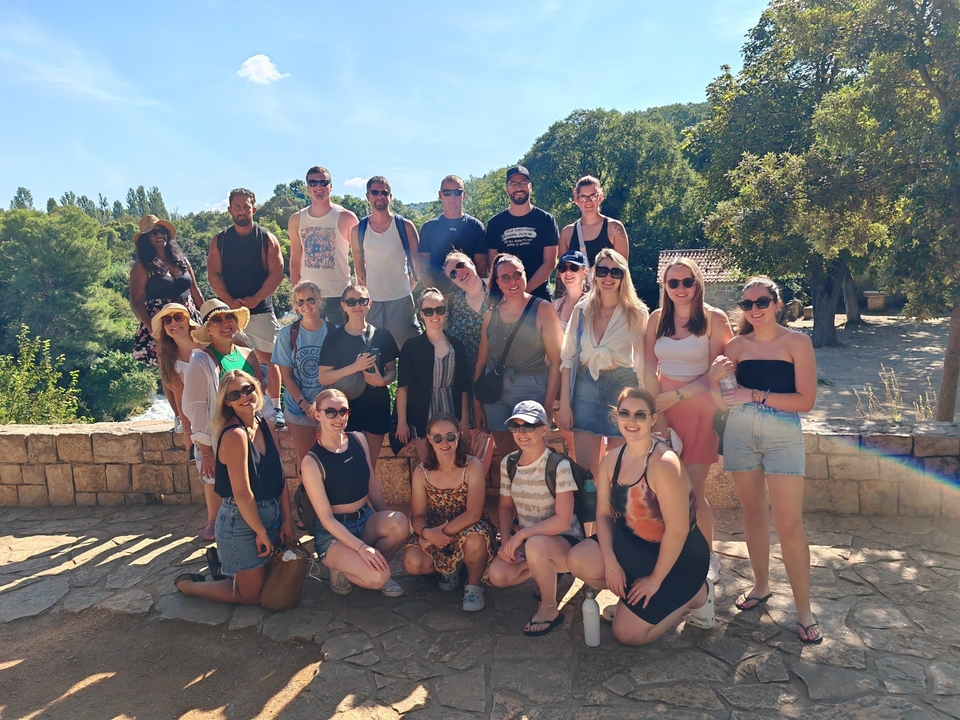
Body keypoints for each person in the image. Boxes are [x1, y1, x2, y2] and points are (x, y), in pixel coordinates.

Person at [710, 276, 822, 643]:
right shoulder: (735, 345)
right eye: (747, 305)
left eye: (761, 302)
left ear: (777, 303)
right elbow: (725, 399)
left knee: (789, 523)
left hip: (782, 434)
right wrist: (717, 380)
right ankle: (760, 585)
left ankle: (803, 610)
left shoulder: (797, 342)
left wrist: (753, 393)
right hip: (740, 432)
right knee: (753, 513)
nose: (754, 310)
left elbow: (804, 402)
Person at [566, 388, 714, 645]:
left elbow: (677, 531)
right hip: (634, 546)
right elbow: (602, 514)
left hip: (679, 556)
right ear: (616, 417)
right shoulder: (612, 459)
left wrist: (655, 580)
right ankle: (634, 600)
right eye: (625, 413)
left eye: (640, 415)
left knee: (628, 634)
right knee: (578, 559)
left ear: (653, 419)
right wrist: (611, 564)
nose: (631, 421)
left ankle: (697, 595)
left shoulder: (664, 464)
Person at [643, 258, 732, 585]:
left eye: (687, 282)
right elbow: (647, 369)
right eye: (673, 283)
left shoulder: (714, 319)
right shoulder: (656, 319)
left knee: (693, 491)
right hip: (664, 410)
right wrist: (659, 413)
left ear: (698, 283)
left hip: (700, 409)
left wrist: (676, 398)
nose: (680, 289)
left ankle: (708, 556)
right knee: (665, 490)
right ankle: (674, 553)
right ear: (664, 287)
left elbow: (716, 376)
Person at [174, 370, 295, 604]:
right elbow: (242, 493)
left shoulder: (266, 426)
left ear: (256, 389)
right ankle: (189, 586)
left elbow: (279, 478)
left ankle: (224, 567)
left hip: (272, 514)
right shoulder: (235, 436)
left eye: (247, 389)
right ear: (226, 403)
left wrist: (288, 521)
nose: (244, 396)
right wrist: (260, 532)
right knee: (251, 596)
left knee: (276, 580)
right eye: (234, 395)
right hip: (241, 521)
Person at [300, 389, 409, 597]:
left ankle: (372, 565)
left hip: (364, 519)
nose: (338, 417)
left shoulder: (358, 439)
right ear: (318, 415)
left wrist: (381, 517)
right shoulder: (311, 461)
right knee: (378, 578)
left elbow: (373, 485)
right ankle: (346, 568)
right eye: (330, 412)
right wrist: (361, 548)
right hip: (333, 532)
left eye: (343, 411)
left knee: (400, 523)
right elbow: (325, 518)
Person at [488, 401, 583, 636]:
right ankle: (544, 571)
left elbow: (563, 520)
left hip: (564, 541)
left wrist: (520, 534)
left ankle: (549, 607)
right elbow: (504, 506)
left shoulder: (558, 465)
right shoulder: (508, 463)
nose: (522, 433)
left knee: (536, 545)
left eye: (529, 426)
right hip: (530, 543)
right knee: (498, 575)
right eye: (516, 426)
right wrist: (505, 540)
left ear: (543, 429)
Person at [558, 249, 648, 490]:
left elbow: (642, 365)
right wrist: (565, 404)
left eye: (615, 272)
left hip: (620, 388)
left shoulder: (637, 313)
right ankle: (590, 528)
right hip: (585, 389)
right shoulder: (582, 310)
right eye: (603, 271)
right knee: (587, 478)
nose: (608, 277)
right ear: (594, 275)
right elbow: (568, 359)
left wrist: (644, 406)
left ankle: (615, 527)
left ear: (623, 276)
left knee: (620, 474)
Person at [182, 299, 269, 541]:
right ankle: (214, 522)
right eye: (216, 320)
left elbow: (260, 392)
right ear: (207, 329)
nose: (225, 324)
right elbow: (195, 406)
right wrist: (205, 450)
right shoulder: (200, 360)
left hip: (249, 429)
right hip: (217, 433)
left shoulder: (247, 355)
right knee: (214, 480)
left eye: (229, 318)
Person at [207, 188, 286, 427]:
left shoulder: (266, 239)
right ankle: (235, 405)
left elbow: (277, 272)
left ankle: (276, 406)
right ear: (230, 209)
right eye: (237, 206)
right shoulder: (219, 241)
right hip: (229, 312)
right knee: (233, 359)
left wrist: (256, 298)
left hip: (260, 308)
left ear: (254, 208)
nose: (242, 211)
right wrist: (229, 300)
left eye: (246, 206)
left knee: (270, 360)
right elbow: (213, 274)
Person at [402, 414, 496, 612]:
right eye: (437, 438)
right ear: (429, 439)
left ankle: (473, 585)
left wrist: (440, 535)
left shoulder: (472, 466)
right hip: (435, 529)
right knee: (412, 562)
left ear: (459, 436)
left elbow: (473, 514)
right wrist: (428, 534)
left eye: (450, 437)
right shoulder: (421, 472)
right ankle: (451, 569)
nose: (444, 443)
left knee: (475, 538)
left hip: (467, 526)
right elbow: (417, 516)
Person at [475, 254, 563, 457]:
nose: (512, 281)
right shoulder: (491, 314)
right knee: (507, 455)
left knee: (530, 453)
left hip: (530, 388)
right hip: (495, 392)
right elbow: (482, 360)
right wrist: (477, 404)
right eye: (505, 277)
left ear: (524, 275)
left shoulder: (543, 309)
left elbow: (557, 360)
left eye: (517, 274)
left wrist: (548, 406)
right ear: (497, 282)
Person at [129, 214, 204, 426]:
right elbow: (136, 300)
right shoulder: (141, 267)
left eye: (163, 231)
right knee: (170, 369)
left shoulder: (182, 261)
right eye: (154, 233)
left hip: (188, 318)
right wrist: (152, 327)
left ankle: (201, 410)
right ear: (145, 239)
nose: (160, 235)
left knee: (197, 363)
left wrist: (207, 317)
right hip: (161, 323)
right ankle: (180, 417)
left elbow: (196, 292)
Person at [318, 285, 399, 467]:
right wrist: (355, 367)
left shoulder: (382, 335)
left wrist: (382, 381)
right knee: (349, 465)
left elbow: (392, 370)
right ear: (343, 305)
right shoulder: (333, 338)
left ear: (369, 304)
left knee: (370, 465)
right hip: (346, 408)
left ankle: (368, 496)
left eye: (362, 301)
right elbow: (324, 378)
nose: (357, 305)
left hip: (377, 404)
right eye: (351, 301)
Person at [395, 289, 472, 460]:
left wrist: (464, 419)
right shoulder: (412, 346)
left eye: (439, 309)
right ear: (421, 314)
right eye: (428, 311)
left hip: (451, 410)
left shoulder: (457, 346)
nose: (434, 315)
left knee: (453, 463)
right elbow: (402, 388)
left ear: (445, 311)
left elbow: (463, 387)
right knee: (428, 464)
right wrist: (402, 422)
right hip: (422, 413)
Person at [350, 176, 422, 349]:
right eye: (375, 192)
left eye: (384, 192)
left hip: (401, 302)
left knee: (410, 352)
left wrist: (409, 286)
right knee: (375, 356)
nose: (380, 196)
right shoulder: (358, 231)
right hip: (372, 303)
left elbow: (418, 265)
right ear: (368, 196)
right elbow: (359, 269)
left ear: (390, 197)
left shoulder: (404, 226)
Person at [272, 281, 332, 472]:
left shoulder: (334, 331)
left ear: (319, 300)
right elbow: (286, 376)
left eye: (310, 300)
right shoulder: (287, 334)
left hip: (328, 406)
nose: (306, 305)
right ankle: (306, 500)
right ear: (295, 305)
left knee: (330, 456)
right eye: (300, 302)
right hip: (299, 406)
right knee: (306, 459)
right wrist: (305, 405)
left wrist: (323, 406)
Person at [288, 166, 359, 322]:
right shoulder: (296, 219)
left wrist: (359, 294)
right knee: (310, 344)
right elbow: (295, 260)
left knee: (342, 345)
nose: (318, 186)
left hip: (339, 295)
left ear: (331, 186)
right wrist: (296, 297)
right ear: (307, 187)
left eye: (323, 182)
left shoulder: (347, 218)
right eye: (313, 182)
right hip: (308, 297)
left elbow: (360, 258)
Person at [486, 165, 559, 301]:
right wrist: (510, 292)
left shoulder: (546, 220)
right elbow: (493, 264)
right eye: (513, 184)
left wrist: (522, 292)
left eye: (523, 183)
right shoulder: (494, 223)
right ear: (507, 189)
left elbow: (550, 263)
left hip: (539, 296)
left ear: (530, 186)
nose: (519, 188)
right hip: (505, 298)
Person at [418, 175, 488, 293]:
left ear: (464, 195)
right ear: (440, 195)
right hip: (439, 296)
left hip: (470, 295)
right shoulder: (428, 228)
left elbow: (481, 266)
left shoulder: (476, 227)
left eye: (457, 192)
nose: (452, 197)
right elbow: (423, 267)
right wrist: (435, 293)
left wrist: (473, 294)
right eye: (447, 192)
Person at [153, 302, 205, 455]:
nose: (173, 323)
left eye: (178, 317)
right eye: (167, 321)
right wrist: (187, 433)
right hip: (198, 418)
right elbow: (179, 395)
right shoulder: (168, 358)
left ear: (188, 320)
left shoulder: (207, 343)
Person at [557, 176, 629, 266]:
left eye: (593, 196)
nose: (588, 201)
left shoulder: (615, 228)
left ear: (600, 197)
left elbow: (622, 269)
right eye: (583, 197)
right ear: (576, 200)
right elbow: (562, 272)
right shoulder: (567, 233)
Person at [553, 250, 589, 330]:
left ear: (585, 272)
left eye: (574, 267)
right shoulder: (554, 306)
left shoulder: (593, 304)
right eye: (563, 268)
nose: (568, 272)